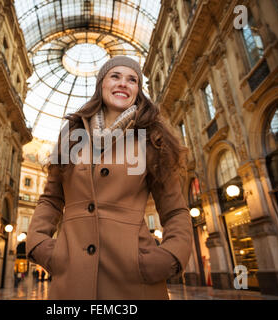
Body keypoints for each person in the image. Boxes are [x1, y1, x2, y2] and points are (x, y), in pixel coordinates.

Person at [26, 56, 193, 299]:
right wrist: (41, 245)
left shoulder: (152, 139)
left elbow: (175, 211)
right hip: (73, 280)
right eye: (115, 76)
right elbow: (51, 200)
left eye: (132, 79)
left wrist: (168, 257)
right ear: (102, 84)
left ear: (138, 90)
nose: (123, 83)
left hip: (135, 281)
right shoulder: (72, 135)